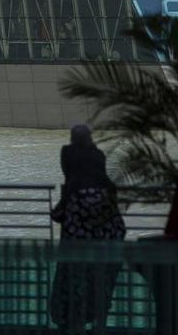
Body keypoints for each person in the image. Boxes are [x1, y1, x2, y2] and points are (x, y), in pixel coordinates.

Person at [50, 125, 125, 332]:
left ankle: (73, 324)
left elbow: (64, 202)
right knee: (102, 282)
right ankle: (100, 324)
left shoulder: (69, 157)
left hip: (77, 237)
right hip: (107, 238)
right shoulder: (99, 162)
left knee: (74, 280)